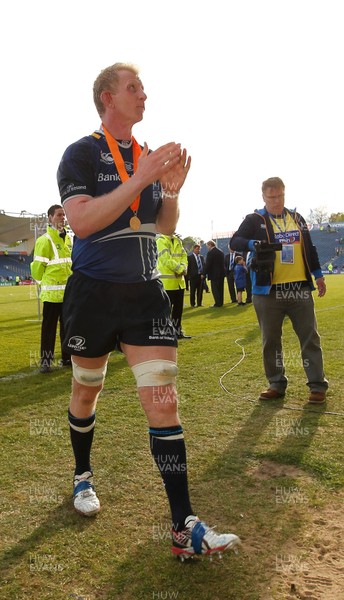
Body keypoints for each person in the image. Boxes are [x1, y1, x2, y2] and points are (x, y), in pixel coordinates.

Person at [57, 62, 239, 558]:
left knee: (164, 401)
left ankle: (183, 526)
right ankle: (82, 476)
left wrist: (172, 190)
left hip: (145, 291)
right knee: (85, 390)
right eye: (133, 88)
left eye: (142, 87)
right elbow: (83, 223)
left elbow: (161, 227)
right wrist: (140, 178)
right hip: (93, 292)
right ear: (107, 98)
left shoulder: (146, 155)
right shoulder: (80, 153)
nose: (144, 94)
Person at [231, 177, 328, 405]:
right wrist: (252, 244)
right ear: (263, 197)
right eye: (271, 197)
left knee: (309, 338)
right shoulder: (254, 219)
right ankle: (276, 383)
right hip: (268, 291)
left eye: (280, 196)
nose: (276, 201)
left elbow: (310, 249)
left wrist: (318, 275)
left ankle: (317, 385)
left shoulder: (297, 218)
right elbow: (235, 241)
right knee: (271, 340)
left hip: (299, 289)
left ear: (285, 194)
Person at [30, 205, 72, 373]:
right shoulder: (44, 240)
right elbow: (37, 270)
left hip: (67, 294)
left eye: (64, 215)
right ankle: (46, 362)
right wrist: (44, 284)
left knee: (66, 328)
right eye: (59, 215)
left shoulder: (69, 239)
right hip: (52, 295)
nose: (63, 218)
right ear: (50, 217)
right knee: (48, 330)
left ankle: (66, 358)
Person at [156, 233, 191, 339]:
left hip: (179, 283)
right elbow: (165, 260)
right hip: (167, 283)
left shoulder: (178, 241)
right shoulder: (160, 241)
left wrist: (183, 268)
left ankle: (177, 332)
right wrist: (180, 269)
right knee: (165, 311)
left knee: (178, 310)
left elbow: (184, 256)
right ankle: (164, 334)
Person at [204, 240, 225, 307]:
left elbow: (208, 264)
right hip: (221, 273)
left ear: (210, 245)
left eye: (207, 246)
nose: (207, 247)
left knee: (215, 289)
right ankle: (221, 302)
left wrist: (204, 273)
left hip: (214, 274)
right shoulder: (221, 252)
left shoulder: (210, 253)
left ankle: (217, 303)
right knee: (220, 288)